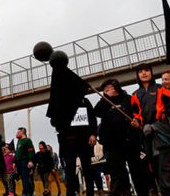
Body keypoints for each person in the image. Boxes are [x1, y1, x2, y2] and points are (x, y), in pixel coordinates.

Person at [46, 52, 98, 196]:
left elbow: (92, 119)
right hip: (68, 141)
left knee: (87, 169)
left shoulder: (84, 102)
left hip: (85, 140)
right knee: (69, 170)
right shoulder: (60, 105)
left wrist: (93, 133)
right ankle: (71, 193)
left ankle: (90, 193)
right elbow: (54, 121)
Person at [130, 63, 170, 196]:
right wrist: (136, 123)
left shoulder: (162, 89)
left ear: (151, 73)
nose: (144, 73)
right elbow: (136, 115)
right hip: (146, 135)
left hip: (162, 131)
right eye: (140, 71)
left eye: (147, 70)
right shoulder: (135, 95)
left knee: (165, 167)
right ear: (137, 75)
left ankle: (169, 192)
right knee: (154, 168)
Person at [94, 78, 148, 196]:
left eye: (109, 88)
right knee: (117, 173)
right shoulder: (104, 102)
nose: (107, 90)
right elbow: (96, 112)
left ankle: (142, 192)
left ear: (116, 87)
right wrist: (106, 98)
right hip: (113, 144)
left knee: (137, 171)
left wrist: (137, 121)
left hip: (130, 141)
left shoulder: (129, 98)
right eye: (105, 89)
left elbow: (138, 113)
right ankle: (122, 192)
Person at [14, 127, 35, 196]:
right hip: (18, 162)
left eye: (18, 132)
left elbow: (31, 151)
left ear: (22, 132)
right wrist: (14, 163)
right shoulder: (19, 141)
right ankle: (28, 191)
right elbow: (17, 153)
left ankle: (27, 193)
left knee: (25, 177)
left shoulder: (27, 140)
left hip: (24, 161)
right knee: (23, 178)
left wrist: (31, 161)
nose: (16, 134)